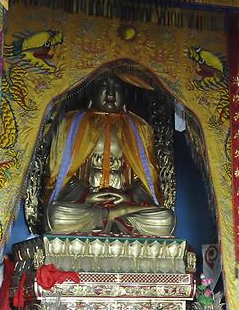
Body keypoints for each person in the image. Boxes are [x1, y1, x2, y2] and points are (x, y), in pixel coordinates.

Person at [45, 75, 176, 236]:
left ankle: (111, 217)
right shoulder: (71, 123)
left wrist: (128, 198)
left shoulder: (140, 128)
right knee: (57, 215)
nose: (110, 93)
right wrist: (87, 197)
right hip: (86, 205)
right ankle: (110, 217)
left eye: (117, 88)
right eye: (104, 85)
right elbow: (59, 175)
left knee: (166, 219)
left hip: (125, 205)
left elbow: (147, 180)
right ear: (92, 92)